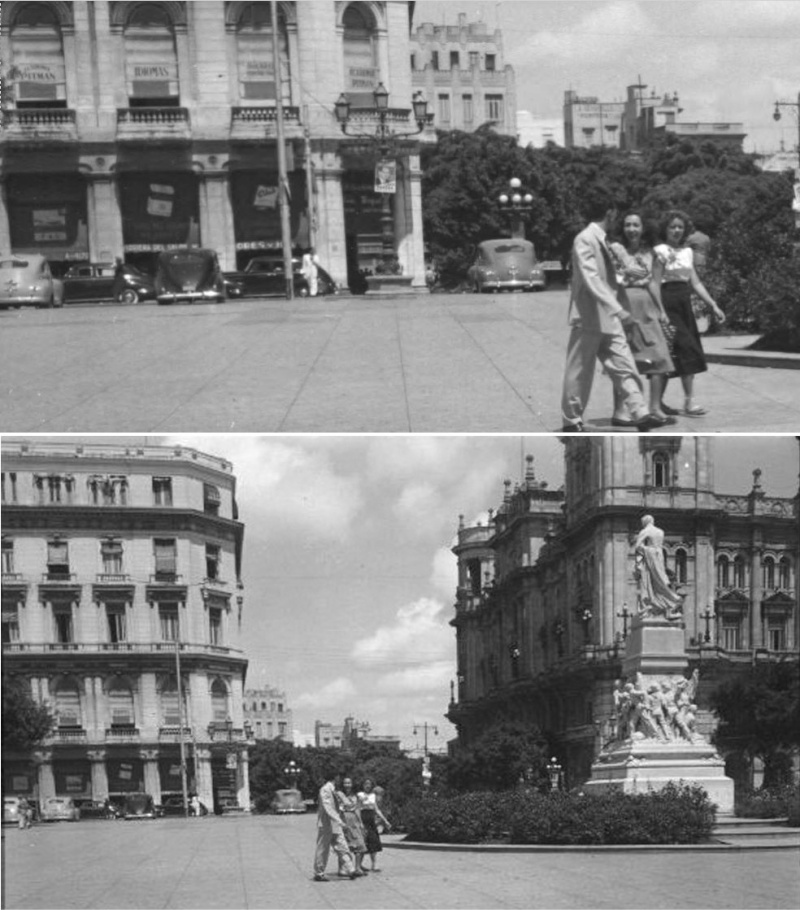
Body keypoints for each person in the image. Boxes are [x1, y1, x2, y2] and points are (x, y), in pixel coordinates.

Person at [560, 188, 665, 432]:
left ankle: (640, 412)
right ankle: (572, 420)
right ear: (610, 212)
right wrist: (619, 309)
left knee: (624, 364)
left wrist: (628, 272)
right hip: (588, 317)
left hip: (609, 318)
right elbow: (591, 278)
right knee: (580, 371)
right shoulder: (585, 239)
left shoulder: (606, 241)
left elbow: (610, 275)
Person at [653, 210, 726, 417]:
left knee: (688, 350)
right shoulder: (659, 251)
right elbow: (655, 283)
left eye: (680, 227)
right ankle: (656, 404)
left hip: (684, 304)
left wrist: (713, 304)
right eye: (672, 227)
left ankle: (687, 402)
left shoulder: (687, 252)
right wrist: (660, 310)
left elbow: (695, 282)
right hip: (667, 303)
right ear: (665, 229)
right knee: (672, 351)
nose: (676, 230)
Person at [608, 211, 676, 426]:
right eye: (628, 225)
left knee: (659, 356)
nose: (632, 229)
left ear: (643, 228)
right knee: (623, 360)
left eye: (636, 225)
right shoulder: (614, 251)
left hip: (646, 305)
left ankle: (654, 407)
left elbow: (654, 283)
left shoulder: (652, 254)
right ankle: (620, 411)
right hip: (623, 303)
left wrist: (661, 310)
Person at [312, 768, 358, 882]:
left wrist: (348, 803)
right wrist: (339, 820)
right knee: (323, 849)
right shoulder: (325, 790)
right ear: (335, 777)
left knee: (343, 847)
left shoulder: (336, 791)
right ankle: (319, 873)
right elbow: (328, 807)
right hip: (326, 824)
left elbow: (345, 805)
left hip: (336, 825)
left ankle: (351, 870)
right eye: (338, 777)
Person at [634, 515, 684, 619]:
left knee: (650, 581)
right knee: (660, 579)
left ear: (644, 522)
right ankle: (668, 606)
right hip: (659, 555)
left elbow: (638, 546)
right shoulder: (660, 531)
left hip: (650, 556)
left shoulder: (645, 531)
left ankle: (670, 601)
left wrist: (644, 551)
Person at [335, 776, 368, 876]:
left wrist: (361, 823)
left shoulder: (356, 796)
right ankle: (342, 869)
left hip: (354, 820)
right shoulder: (339, 794)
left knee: (360, 844)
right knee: (344, 845)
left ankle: (357, 867)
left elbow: (357, 809)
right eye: (345, 783)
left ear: (352, 784)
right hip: (343, 819)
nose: (347, 785)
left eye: (349, 783)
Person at [357, 778, 391, 871]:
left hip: (371, 820)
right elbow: (358, 809)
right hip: (363, 819)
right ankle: (358, 865)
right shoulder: (360, 795)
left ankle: (374, 864)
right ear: (363, 785)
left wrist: (385, 821)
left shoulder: (373, 796)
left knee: (374, 841)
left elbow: (376, 809)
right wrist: (360, 823)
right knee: (363, 843)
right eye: (366, 783)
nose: (368, 785)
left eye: (369, 784)